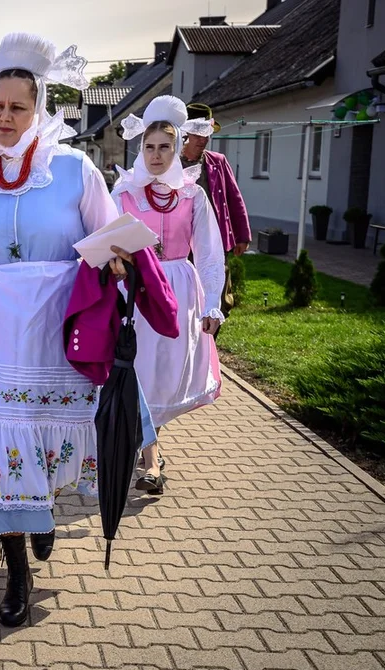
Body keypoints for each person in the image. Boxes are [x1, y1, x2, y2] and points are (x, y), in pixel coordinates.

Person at [0, 33, 144, 627]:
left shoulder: (73, 169)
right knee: (0, 447)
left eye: (18, 107)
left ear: (38, 108)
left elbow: (110, 234)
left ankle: (39, 515)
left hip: (54, 328)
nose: (6, 117)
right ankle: (17, 566)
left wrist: (117, 260)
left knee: (42, 436)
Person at [112, 96, 224, 495]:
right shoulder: (123, 193)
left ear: (176, 149)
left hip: (176, 291)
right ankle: (151, 460)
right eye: (149, 146)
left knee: (161, 376)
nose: (156, 155)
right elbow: (105, 241)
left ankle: (148, 454)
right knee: (135, 370)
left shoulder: (192, 195)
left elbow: (210, 252)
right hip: (133, 291)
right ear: (139, 148)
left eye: (164, 147)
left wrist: (213, 301)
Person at [181, 102, 251, 329]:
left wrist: (242, 235)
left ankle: (210, 336)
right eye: (198, 133)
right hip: (180, 241)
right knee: (186, 293)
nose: (203, 139)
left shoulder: (217, 162)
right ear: (185, 132)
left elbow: (234, 198)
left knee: (219, 294)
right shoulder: (169, 162)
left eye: (207, 133)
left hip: (214, 239)